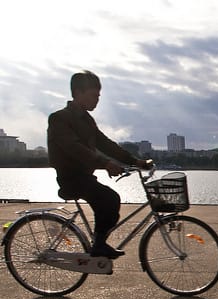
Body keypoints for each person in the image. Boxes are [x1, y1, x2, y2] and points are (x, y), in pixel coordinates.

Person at [47, 70, 151, 259]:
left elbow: (106, 144)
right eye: (93, 95)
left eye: (98, 96)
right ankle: (99, 245)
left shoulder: (87, 120)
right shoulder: (60, 118)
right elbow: (74, 148)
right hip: (71, 177)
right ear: (78, 93)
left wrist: (136, 162)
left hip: (84, 176)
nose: (97, 100)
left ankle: (99, 243)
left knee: (109, 203)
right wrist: (105, 163)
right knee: (109, 199)